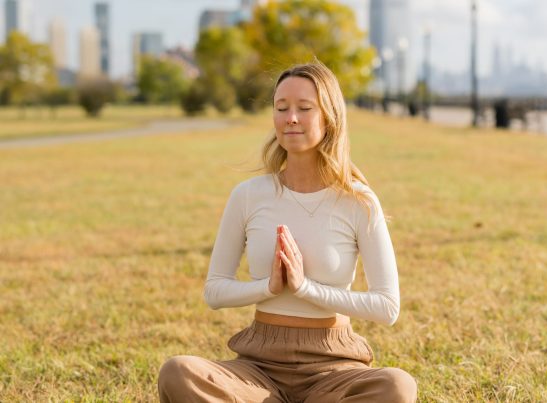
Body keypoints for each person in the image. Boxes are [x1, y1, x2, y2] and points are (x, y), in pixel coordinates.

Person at [158, 61, 417, 402]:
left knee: (396, 386)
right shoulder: (249, 194)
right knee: (178, 372)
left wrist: (305, 288)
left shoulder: (359, 201)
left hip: (333, 371)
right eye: (281, 108)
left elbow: (387, 307)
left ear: (329, 117)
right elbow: (214, 291)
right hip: (257, 370)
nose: (290, 117)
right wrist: (268, 287)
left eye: (304, 108)